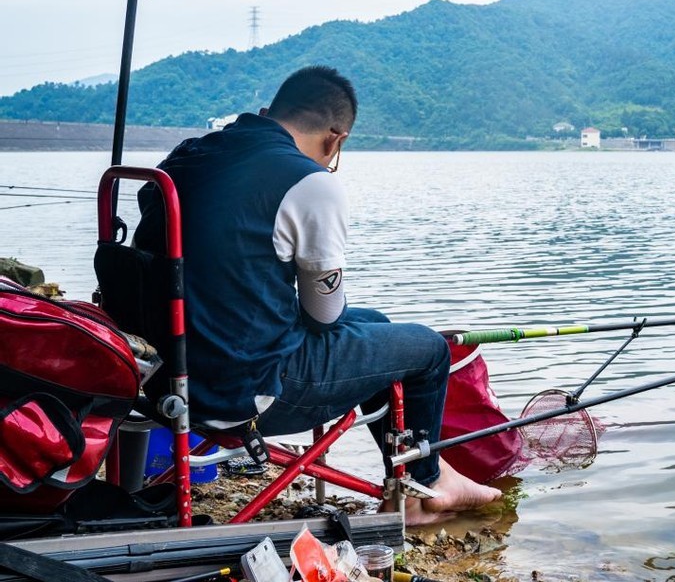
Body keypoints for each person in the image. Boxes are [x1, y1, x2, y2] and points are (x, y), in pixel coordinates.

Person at [134, 65, 499, 523]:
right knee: (427, 349)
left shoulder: (188, 157)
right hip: (240, 394)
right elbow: (324, 316)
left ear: (269, 113)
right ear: (336, 139)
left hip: (158, 374)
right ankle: (426, 488)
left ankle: (410, 478)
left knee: (378, 325)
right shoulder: (308, 181)